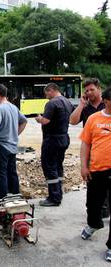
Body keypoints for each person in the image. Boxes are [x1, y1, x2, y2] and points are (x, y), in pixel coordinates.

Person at [79, 88, 111, 262]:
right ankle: (94, 224)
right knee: (93, 204)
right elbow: (85, 144)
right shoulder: (94, 118)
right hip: (97, 170)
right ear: (105, 100)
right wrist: (84, 166)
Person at [70, 78, 108, 218]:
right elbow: (72, 121)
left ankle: (105, 207)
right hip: (91, 148)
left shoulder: (107, 104)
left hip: (107, 148)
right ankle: (97, 209)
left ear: (99, 89)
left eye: (92, 89)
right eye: (86, 91)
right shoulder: (86, 108)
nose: (89, 92)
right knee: (94, 180)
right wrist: (81, 105)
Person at [35, 83, 73, 207]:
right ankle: (59, 193)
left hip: (52, 139)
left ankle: (54, 197)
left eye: (46, 93)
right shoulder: (67, 102)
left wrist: (39, 118)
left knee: (49, 167)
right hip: (64, 138)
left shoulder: (52, 103)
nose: (46, 96)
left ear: (51, 90)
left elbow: (46, 121)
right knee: (58, 166)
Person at [0, 84, 27, 200]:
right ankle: (16, 200)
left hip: (1, 147)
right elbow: (24, 121)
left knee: (1, 176)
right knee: (12, 174)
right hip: (12, 147)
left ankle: (2, 203)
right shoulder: (13, 107)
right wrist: (15, 134)